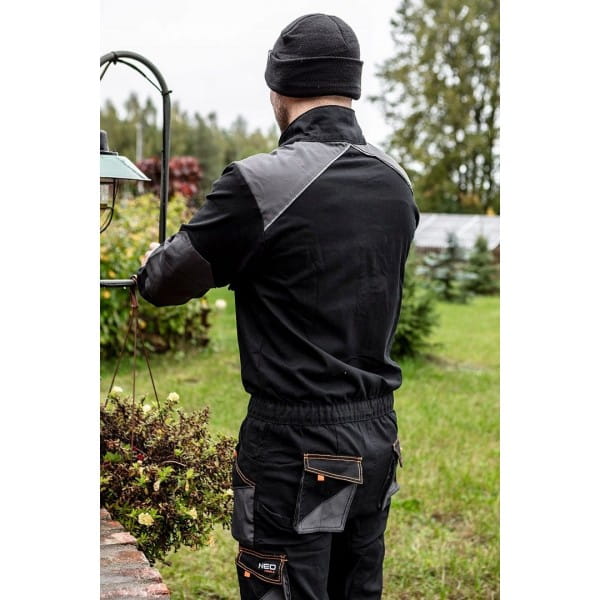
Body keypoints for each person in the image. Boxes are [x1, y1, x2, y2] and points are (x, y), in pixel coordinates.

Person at [136, 13, 419, 600]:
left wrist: (151, 262)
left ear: (278, 88)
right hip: (377, 435)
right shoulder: (397, 182)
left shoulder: (260, 184)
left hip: (295, 449)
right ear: (351, 86)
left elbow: (165, 282)